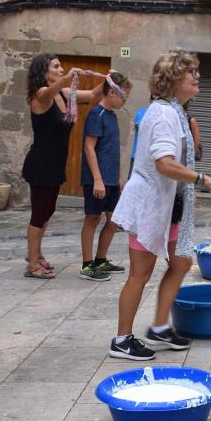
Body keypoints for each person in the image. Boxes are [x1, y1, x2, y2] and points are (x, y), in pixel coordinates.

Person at [110, 50, 211, 360]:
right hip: (150, 205)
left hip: (170, 205)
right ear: (175, 78)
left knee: (180, 262)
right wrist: (205, 179)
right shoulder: (164, 113)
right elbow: (164, 163)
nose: (197, 77)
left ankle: (159, 328)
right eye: (192, 72)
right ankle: (122, 340)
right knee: (140, 274)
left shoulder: (174, 110)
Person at [21, 54, 105, 279]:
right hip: (40, 164)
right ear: (43, 71)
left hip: (55, 165)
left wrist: (109, 80)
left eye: (61, 66)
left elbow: (94, 95)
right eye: (56, 67)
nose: (61, 69)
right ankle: (32, 265)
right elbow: (48, 92)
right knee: (39, 214)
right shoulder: (40, 95)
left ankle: (36, 255)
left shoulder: (63, 94)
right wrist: (67, 78)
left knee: (48, 211)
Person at [80, 73, 132, 281]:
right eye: (124, 97)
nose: (124, 101)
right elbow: (89, 148)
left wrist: (118, 176)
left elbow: (110, 150)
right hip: (97, 178)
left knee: (114, 219)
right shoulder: (97, 114)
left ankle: (101, 260)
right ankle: (86, 265)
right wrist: (98, 179)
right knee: (92, 218)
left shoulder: (112, 115)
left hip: (111, 178)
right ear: (112, 92)